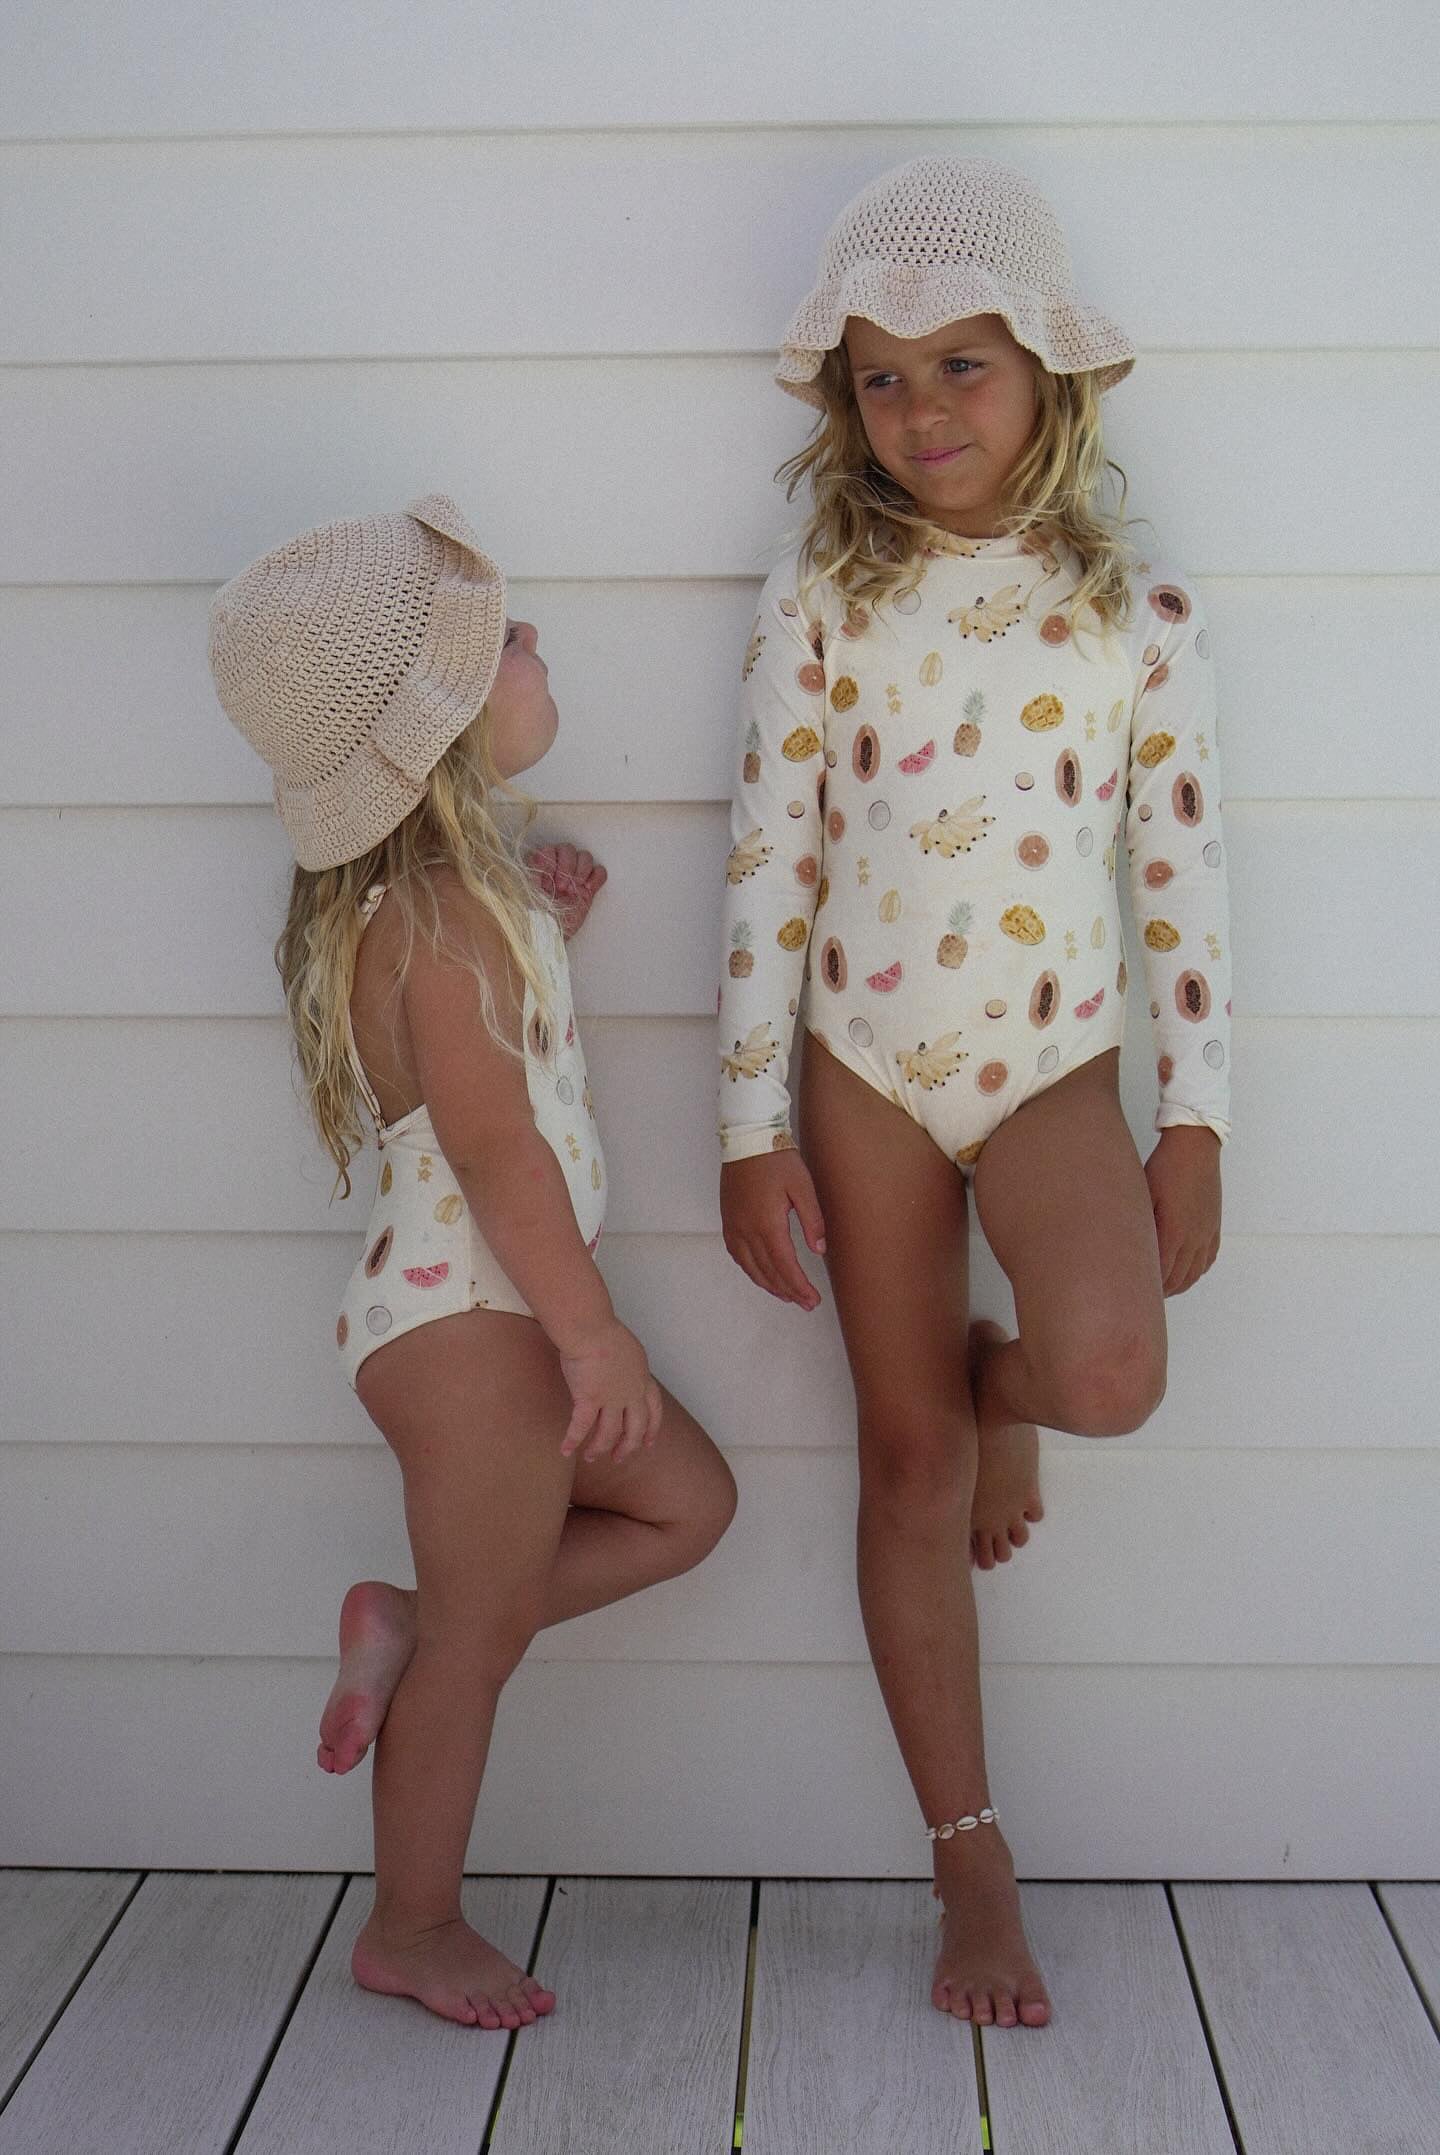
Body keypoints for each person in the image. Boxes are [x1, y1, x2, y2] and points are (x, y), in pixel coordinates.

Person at [717, 157, 1231, 2029]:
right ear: (843, 404)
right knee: (905, 1456)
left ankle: (1007, 1390)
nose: (921, 410)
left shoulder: (1133, 610)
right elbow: (769, 858)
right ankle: (972, 1858)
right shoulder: (826, 594)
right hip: (861, 1064)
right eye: (881, 376)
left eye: (963, 365)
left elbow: (1179, 867)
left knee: (1108, 1371)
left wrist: (1198, 1117)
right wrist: (746, 1125)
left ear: (1047, 375)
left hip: (1052, 1062)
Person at [209, 494, 736, 2029]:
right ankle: (411, 1923)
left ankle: (410, 1624)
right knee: (488, 1647)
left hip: (471, 1310)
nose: (535, 644)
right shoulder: (442, 921)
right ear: (435, 725)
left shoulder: (459, 904)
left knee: (685, 1505)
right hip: (472, 1320)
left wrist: (549, 915)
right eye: (503, 639)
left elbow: (501, 1072)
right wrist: (594, 1339)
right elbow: (500, 1158)